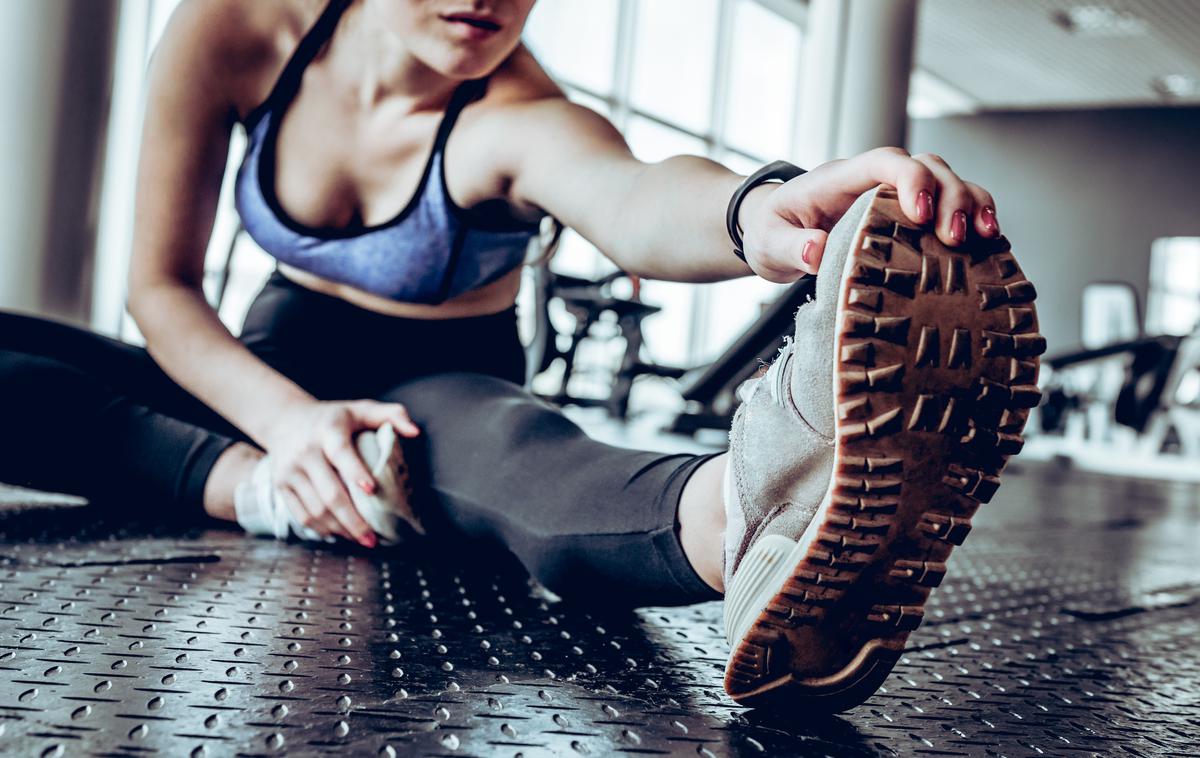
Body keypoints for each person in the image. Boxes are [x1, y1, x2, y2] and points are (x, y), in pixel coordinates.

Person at [0, 0, 1040, 711]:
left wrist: (762, 210)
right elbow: (160, 289)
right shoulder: (237, 27)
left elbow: (628, 197)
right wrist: (280, 440)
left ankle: (757, 520)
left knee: (516, 463)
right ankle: (249, 487)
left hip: (439, 392)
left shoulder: (515, 113)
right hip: (266, 373)